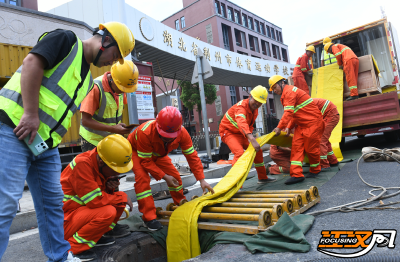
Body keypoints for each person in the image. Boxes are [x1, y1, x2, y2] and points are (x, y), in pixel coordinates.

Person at [0, 21, 134, 262]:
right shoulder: (67, 40)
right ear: (106, 41)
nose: (112, 63)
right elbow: (31, 63)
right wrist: (30, 113)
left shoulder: (86, 78)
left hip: (44, 144)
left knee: (52, 205)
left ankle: (60, 257)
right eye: (116, 56)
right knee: (6, 205)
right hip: (14, 127)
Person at [127, 106, 214, 231]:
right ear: (158, 126)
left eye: (171, 136)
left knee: (176, 177)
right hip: (137, 152)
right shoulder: (144, 132)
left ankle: (180, 203)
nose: (168, 138)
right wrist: (164, 176)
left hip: (158, 154)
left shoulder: (183, 133)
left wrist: (202, 180)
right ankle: (149, 217)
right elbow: (145, 161)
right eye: (165, 136)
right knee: (142, 179)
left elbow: (192, 157)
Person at [61, 135, 133, 261]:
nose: (118, 173)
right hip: (63, 221)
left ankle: (96, 236)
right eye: (115, 170)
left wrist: (108, 186)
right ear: (101, 162)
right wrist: (121, 196)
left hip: (74, 214)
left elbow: (95, 195)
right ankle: (71, 248)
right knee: (109, 211)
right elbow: (95, 201)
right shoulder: (82, 164)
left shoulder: (98, 164)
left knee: (117, 203)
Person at [269, 75, 324, 185]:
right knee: (296, 148)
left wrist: (279, 128)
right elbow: (294, 113)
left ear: (282, 83)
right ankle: (296, 175)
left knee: (311, 149)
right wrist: (289, 127)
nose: (275, 91)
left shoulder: (289, 92)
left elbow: (288, 113)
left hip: (313, 123)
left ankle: (315, 169)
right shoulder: (285, 95)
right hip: (301, 125)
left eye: (275, 87)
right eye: (273, 89)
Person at [219, 85, 277, 184]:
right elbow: (241, 122)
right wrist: (252, 139)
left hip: (241, 134)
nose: (257, 104)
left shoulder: (255, 109)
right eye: (256, 100)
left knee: (258, 151)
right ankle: (235, 184)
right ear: (250, 96)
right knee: (239, 153)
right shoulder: (241, 107)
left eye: (260, 103)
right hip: (228, 132)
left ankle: (262, 178)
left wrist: (251, 138)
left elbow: (248, 126)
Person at [80, 60, 139, 152]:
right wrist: (113, 129)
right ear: (112, 78)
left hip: (111, 140)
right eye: (121, 88)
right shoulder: (95, 88)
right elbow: (85, 121)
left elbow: (115, 113)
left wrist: (119, 127)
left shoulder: (121, 87)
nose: (123, 91)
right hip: (92, 142)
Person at [312, 98, 340, 169]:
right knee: (325, 140)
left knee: (321, 140)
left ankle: (324, 165)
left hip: (330, 115)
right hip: (330, 115)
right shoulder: (305, 102)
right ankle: (333, 161)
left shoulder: (304, 105)